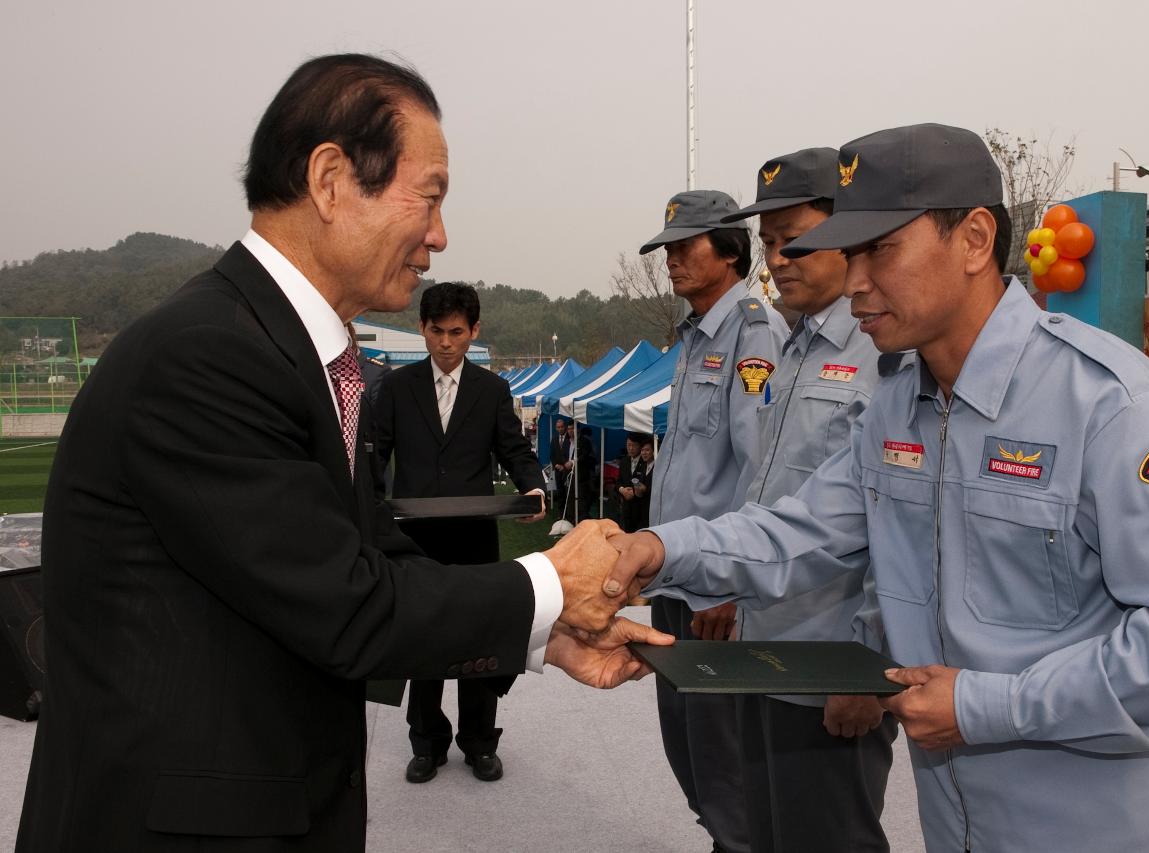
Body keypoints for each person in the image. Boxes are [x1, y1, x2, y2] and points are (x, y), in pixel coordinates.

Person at [18, 54, 667, 853]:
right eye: (428, 197)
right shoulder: (205, 358)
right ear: (330, 179)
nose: (439, 235)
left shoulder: (293, 351)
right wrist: (550, 579)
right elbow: (349, 604)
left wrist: (548, 630)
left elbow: (370, 552)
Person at [605, 124, 1149, 852]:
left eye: (881, 249)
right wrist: (655, 547)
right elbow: (799, 528)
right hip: (963, 825)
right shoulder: (896, 404)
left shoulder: (1111, 407)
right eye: (850, 253)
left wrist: (987, 704)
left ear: (975, 239)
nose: (855, 282)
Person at [717, 146, 897, 852]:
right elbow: (766, 495)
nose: (778, 258)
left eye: (794, 238)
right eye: (767, 243)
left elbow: (897, 527)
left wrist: (867, 666)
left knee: (830, 837)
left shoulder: (885, 353)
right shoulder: (791, 347)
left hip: (829, 667)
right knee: (765, 833)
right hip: (764, 651)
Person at [638, 189, 789, 853]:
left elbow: (761, 470)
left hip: (713, 590)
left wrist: (733, 583)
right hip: (676, 575)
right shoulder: (696, 334)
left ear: (729, 252)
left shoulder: (753, 333)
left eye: (685, 245)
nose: (671, 258)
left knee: (722, 752)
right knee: (688, 745)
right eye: (668, 246)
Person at [374, 282, 547, 785]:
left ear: (474, 331)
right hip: (414, 541)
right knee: (422, 640)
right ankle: (426, 743)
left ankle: (478, 742)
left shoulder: (492, 391)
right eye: (436, 331)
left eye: (456, 332)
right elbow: (377, 452)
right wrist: (365, 507)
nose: (446, 343)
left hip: (475, 540)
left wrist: (532, 487)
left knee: (479, 641)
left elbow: (514, 449)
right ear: (421, 329)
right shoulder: (398, 387)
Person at [550, 417, 573, 513]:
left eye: (562, 427)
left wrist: (564, 466)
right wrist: (556, 465)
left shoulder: (570, 439)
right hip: (557, 470)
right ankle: (561, 513)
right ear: (556, 428)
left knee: (568, 492)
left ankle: (568, 513)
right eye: (558, 427)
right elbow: (552, 455)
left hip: (567, 470)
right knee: (560, 492)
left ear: (565, 427)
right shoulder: (554, 440)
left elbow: (571, 454)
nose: (560, 429)